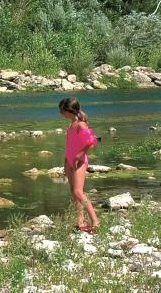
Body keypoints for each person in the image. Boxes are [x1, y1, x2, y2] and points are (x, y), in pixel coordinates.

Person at [60, 97, 100, 234]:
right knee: (73, 191)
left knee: (78, 191)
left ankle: (95, 220)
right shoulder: (72, 124)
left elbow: (91, 141)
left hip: (80, 161)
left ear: (68, 110)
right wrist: (67, 159)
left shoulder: (81, 125)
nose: (61, 114)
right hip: (69, 160)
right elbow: (70, 144)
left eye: (62, 111)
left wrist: (79, 155)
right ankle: (80, 220)